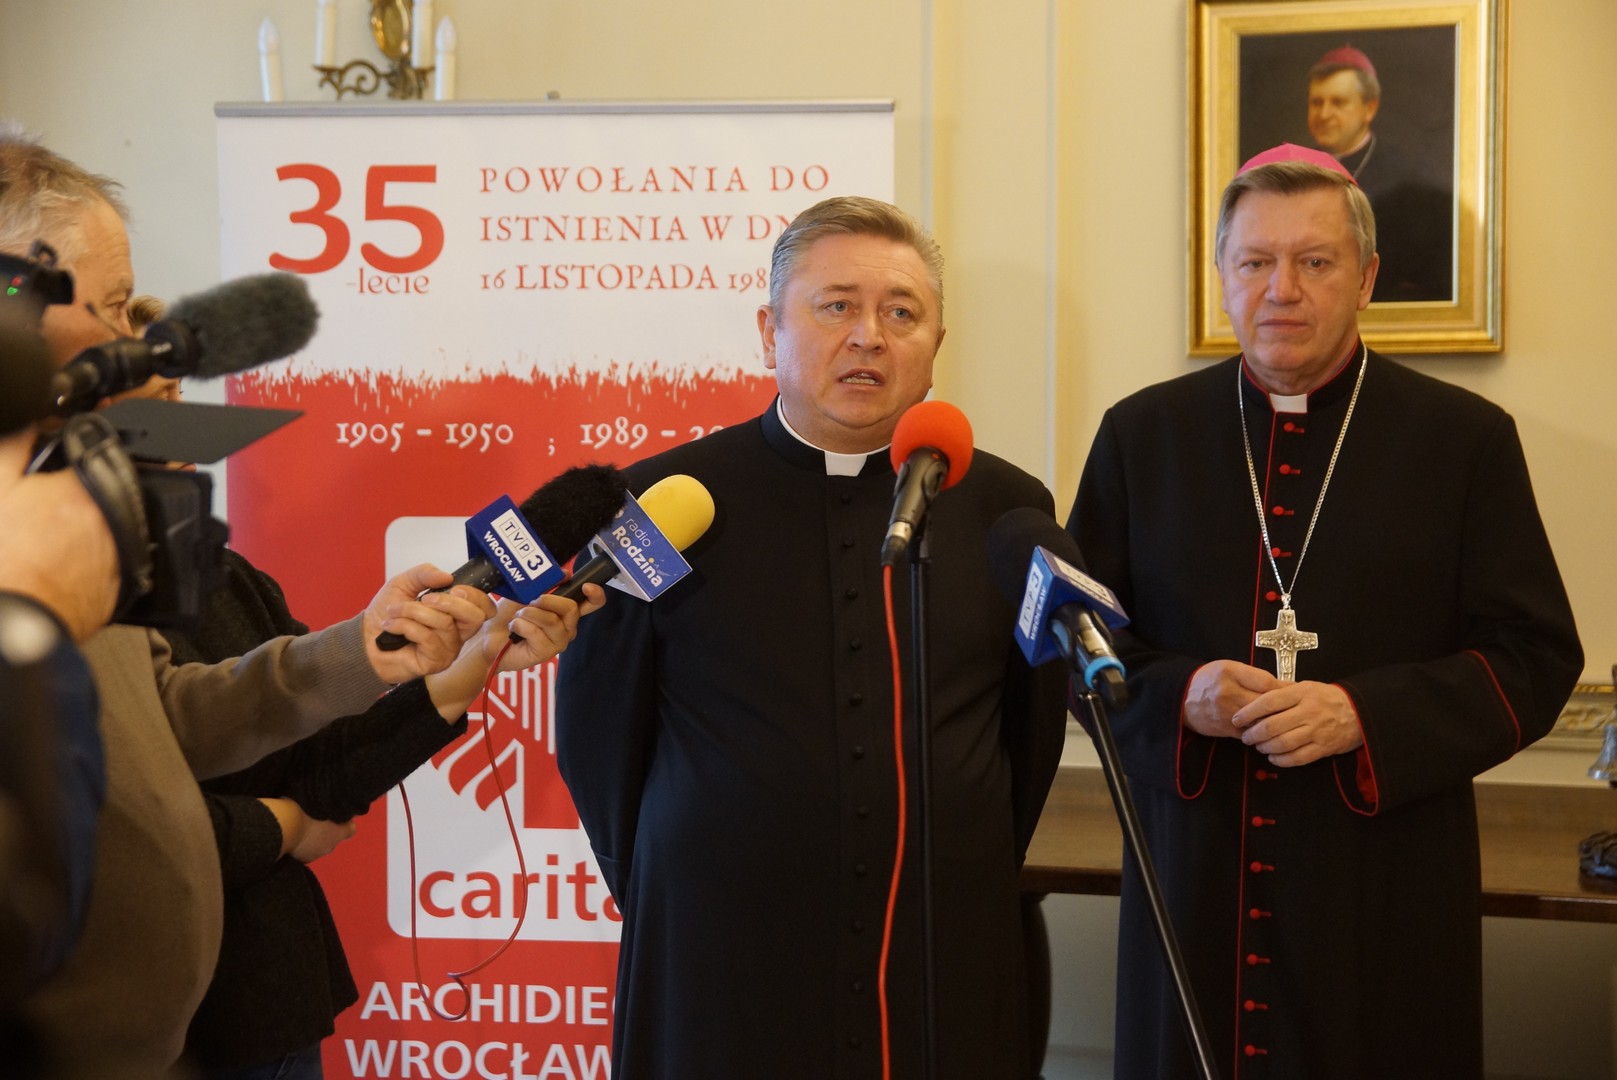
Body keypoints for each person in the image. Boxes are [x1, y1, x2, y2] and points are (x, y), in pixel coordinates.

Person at [1066, 144, 1581, 1078]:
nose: (1282, 289)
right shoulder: (1142, 435)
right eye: (1254, 261)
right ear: (1221, 275)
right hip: (1195, 874)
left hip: (1385, 882)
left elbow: (1534, 656)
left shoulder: (1461, 441)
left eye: (1314, 261)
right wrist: (1181, 696)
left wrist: (1363, 715)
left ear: (1366, 278)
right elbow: (1075, 641)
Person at [0, 130, 504, 1078]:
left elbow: (171, 720)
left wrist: (366, 649)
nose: (127, 344)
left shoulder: (72, 503)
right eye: (105, 306)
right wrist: (276, 830)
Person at [555, 195, 1070, 1079]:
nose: (868, 336)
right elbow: (600, 729)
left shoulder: (1005, 505)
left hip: (942, 935)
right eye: (836, 306)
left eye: (900, 313)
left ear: (935, 345)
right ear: (769, 332)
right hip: (718, 941)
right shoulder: (659, 503)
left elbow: (1031, 727)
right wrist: (670, 876)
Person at [1304, 45, 1451, 302]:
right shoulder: (1293, 171)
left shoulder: (1407, 181)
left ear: (1369, 109)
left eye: (1338, 102)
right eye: (1317, 102)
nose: (1324, 114)